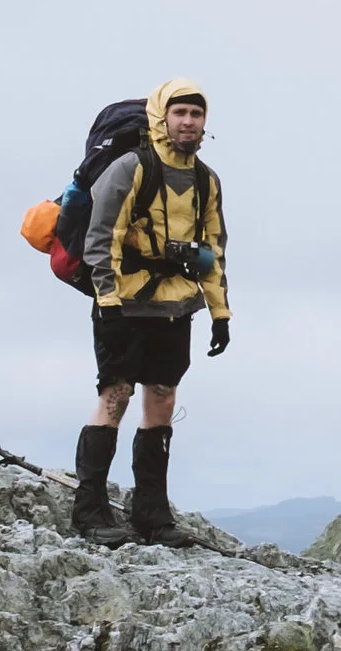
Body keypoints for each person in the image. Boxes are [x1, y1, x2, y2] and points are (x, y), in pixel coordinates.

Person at [69, 78, 231, 546]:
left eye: (196, 115)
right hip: (124, 298)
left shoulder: (206, 180)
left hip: (175, 304)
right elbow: (102, 240)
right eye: (180, 113)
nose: (188, 122)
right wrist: (108, 300)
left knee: (162, 396)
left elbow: (214, 248)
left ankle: (151, 515)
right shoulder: (130, 167)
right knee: (115, 396)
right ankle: (90, 511)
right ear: (162, 117)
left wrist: (220, 312)